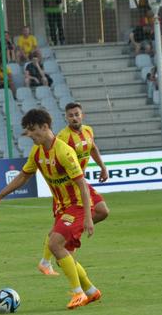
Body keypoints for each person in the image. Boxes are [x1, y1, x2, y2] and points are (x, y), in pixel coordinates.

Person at [0, 109, 101, 309]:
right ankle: (91, 291)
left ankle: (78, 294)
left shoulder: (64, 152)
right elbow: (23, 176)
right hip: (61, 207)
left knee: (55, 244)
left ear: (45, 127)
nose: (30, 135)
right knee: (63, 253)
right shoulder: (37, 152)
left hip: (76, 205)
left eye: (33, 130)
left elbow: (82, 185)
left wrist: (88, 217)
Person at [36, 103, 110, 276]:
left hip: (81, 183)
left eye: (77, 114)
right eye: (71, 115)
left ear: (82, 115)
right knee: (60, 226)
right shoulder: (62, 137)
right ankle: (46, 260)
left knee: (103, 211)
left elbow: (93, 148)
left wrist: (103, 167)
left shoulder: (88, 131)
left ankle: (67, 238)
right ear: (66, 117)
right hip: (67, 188)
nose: (74, 118)